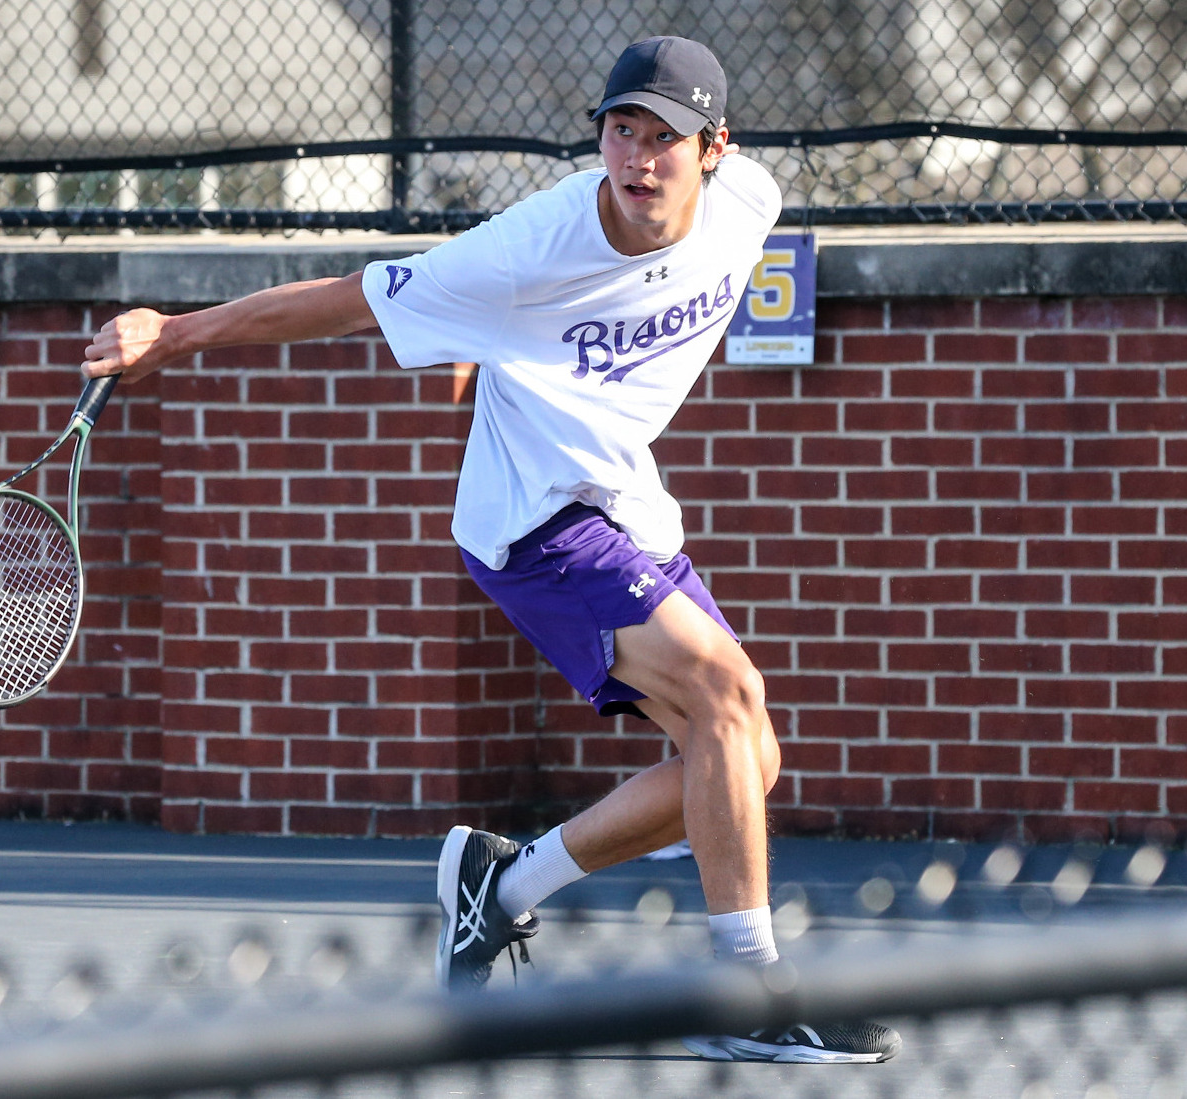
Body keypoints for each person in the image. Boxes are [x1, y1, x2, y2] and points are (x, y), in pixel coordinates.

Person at [82, 35, 900, 1065]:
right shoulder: (529, 246)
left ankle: (501, 887)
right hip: (534, 521)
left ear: (715, 151)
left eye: (665, 139)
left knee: (740, 758)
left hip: (625, 503)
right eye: (621, 131)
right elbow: (351, 299)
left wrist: (496, 344)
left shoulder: (752, 204)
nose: (639, 160)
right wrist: (180, 335)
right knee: (729, 700)